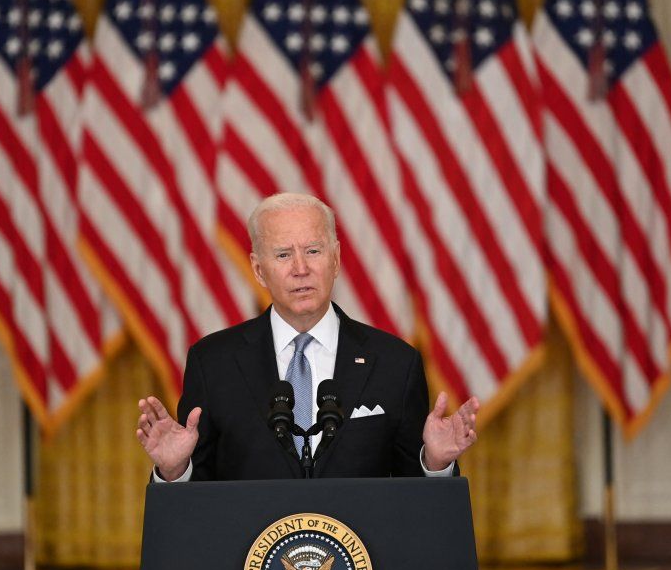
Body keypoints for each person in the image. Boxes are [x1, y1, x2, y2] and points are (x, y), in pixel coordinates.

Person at [136, 193, 479, 481]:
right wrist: (174, 468)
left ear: (336, 260)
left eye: (313, 251)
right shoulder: (213, 363)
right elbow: (198, 505)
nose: (301, 268)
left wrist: (435, 463)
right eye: (284, 255)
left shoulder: (395, 363)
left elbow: (415, 503)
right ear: (259, 270)